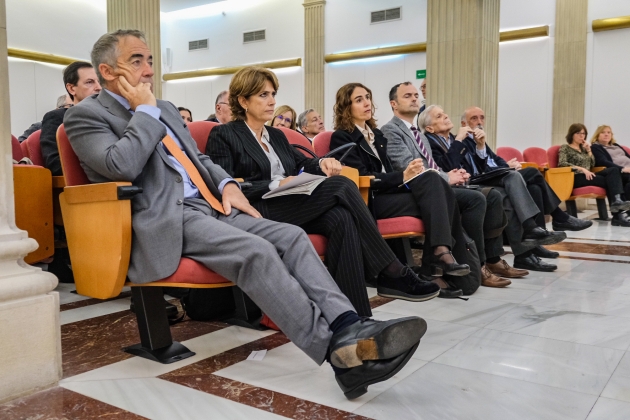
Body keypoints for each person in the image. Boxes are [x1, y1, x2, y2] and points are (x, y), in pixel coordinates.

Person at [64, 29, 425, 400]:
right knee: (256, 251)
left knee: (292, 237)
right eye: (136, 61)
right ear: (107, 72)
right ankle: (340, 354)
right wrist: (144, 111)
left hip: (213, 204)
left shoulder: (165, 109)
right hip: (165, 215)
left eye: (151, 60)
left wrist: (227, 185)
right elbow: (119, 165)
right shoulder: (86, 115)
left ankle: (350, 324)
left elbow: (199, 159)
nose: (148, 71)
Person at [207, 67, 440, 311]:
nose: (272, 101)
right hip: (257, 208)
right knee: (341, 185)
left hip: (291, 202)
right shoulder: (224, 134)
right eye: (263, 95)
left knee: (341, 218)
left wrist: (321, 162)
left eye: (273, 94)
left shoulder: (275, 135)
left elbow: (300, 164)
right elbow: (226, 184)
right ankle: (390, 270)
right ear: (243, 100)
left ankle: (355, 316)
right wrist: (275, 183)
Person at [330, 82, 472, 298]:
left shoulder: (376, 134)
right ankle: (436, 261)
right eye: (359, 99)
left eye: (367, 97)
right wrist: (402, 176)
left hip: (392, 192)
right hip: (370, 199)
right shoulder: (342, 136)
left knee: (436, 182)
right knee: (437, 190)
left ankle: (438, 259)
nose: (367, 102)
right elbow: (359, 177)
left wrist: (407, 176)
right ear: (345, 107)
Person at [383, 82, 520, 288]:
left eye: (415, 95)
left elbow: (433, 167)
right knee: (476, 199)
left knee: (492, 196)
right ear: (394, 104)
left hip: (434, 186)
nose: (414, 98)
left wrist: (450, 175)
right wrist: (447, 177)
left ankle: (489, 260)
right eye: (407, 96)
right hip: (415, 192)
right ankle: (477, 265)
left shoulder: (419, 135)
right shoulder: (390, 130)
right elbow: (409, 168)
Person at [421, 105, 566, 272]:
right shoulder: (433, 142)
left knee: (520, 189)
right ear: (430, 127)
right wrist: (461, 142)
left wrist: (481, 146)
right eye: (439, 116)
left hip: (473, 180)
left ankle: (526, 249)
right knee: (513, 181)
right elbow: (447, 166)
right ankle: (532, 233)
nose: (446, 116)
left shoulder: (453, 139)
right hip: (459, 185)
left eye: (445, 113)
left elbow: (477, 164)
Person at [460, 107, 592, 260]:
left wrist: (506, 165)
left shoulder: (481, 140)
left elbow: (497, 161)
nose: (479, 122)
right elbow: (477, 168)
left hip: (497, 175)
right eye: (474, 119)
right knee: (532, 172)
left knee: (535, 188)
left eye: (482, 118)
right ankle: (558, 218)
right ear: (464, 123)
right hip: (481, 180)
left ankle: (537, 242)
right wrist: (500, 164)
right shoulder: (462, 141)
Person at [559, 123, 630, 227]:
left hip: (589, 175)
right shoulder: (565, 147)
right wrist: (582, 169)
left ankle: (617, 202)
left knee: (613, 171)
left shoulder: (584, 149)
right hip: (575, 177)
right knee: (611, 181)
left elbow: (592, 164)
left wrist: (588, 150)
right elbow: (562, 164)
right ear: (572, 134)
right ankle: (618, 215)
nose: (581, 136)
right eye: (578, 133)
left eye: (583, 134)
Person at [41, 61, 101, 176]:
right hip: (88, 185)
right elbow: (55, 164)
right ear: (71, 88)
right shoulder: (57, 118)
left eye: (100, 82)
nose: (98, 88)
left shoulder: (112, 115)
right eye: (90, 82)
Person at [591, 124, 630, 201]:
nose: (606, 134)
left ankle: (625, 206)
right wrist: (622, 169)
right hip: (618, 173)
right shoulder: (596, 147)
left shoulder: (616, 145)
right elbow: (603, 161)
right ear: (597, 135)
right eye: (603, 132)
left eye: (609, 132)